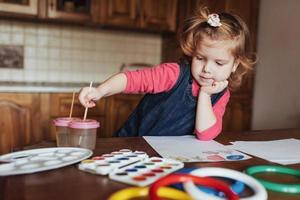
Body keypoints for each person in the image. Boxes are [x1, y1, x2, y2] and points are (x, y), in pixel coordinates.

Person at [78, 7, 254, 140]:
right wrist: (101, 90)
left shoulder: (221, 93)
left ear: (234, 65)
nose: (207, 69)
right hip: (132, 143)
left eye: (219, 63)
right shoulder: (173, 74)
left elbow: (205, 134)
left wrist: (205, 95)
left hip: (167, 155)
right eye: (200, 58)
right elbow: (130, 79)